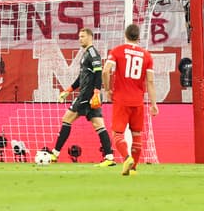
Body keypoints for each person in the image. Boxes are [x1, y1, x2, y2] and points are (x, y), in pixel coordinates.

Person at [49, 27, 115, 166]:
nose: (80, 39)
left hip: (87, 95)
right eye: (79, 36)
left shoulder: (92, 53)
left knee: (67, 119)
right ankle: (109, 157)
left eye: (83, 36)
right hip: (89, 94)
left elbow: (99, 72)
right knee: (99, 125)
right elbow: (82, 77)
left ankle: (55, 154)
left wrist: (96, 92)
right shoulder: (85, 54)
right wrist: (68, 90)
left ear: (90, 37)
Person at [103, 22, 157, 176]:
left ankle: (127, 158)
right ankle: (133, 169)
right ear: (138, 37)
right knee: (137, 134)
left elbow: (106, 71)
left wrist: (107, 89)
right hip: (138, 101)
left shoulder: (118, 51)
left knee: (117, 133)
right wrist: (153, 104)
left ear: (125, 35)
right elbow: (150, 81)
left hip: (121, 99)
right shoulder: (147, 55)